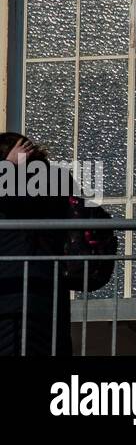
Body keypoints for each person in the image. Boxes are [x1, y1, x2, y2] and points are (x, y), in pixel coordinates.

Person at [0, 133, 115, 356]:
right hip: (46, 285)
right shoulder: (55, 179)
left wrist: (8, 166)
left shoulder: (35, 182)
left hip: (17, 288)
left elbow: (15, 200)